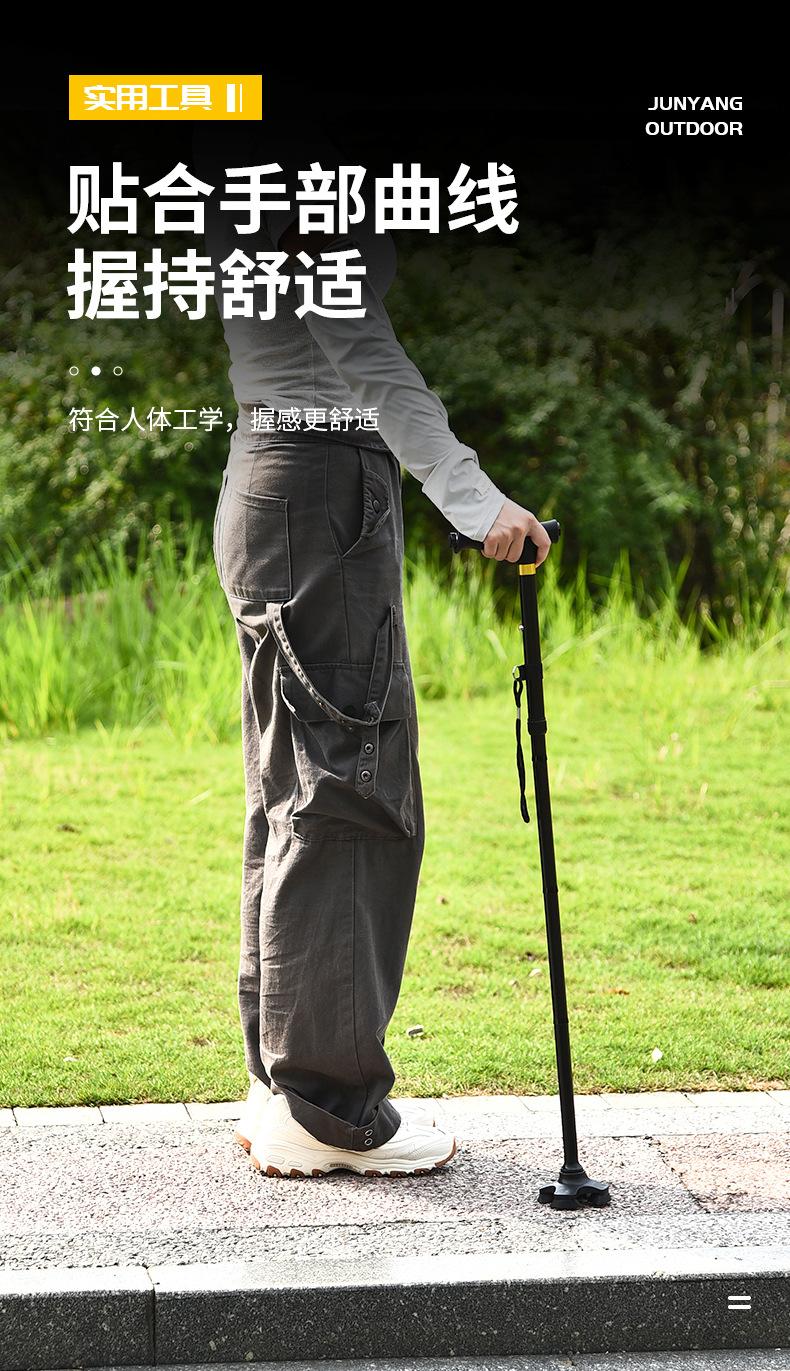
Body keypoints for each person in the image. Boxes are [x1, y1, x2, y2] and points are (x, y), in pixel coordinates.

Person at [198, 128, 552, 1178]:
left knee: (295, 785)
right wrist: (472, 496)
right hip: (321, 482)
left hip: (273, 472)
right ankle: (327, 1107)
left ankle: (285, 1087)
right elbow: (356, 337)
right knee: (347, 786)